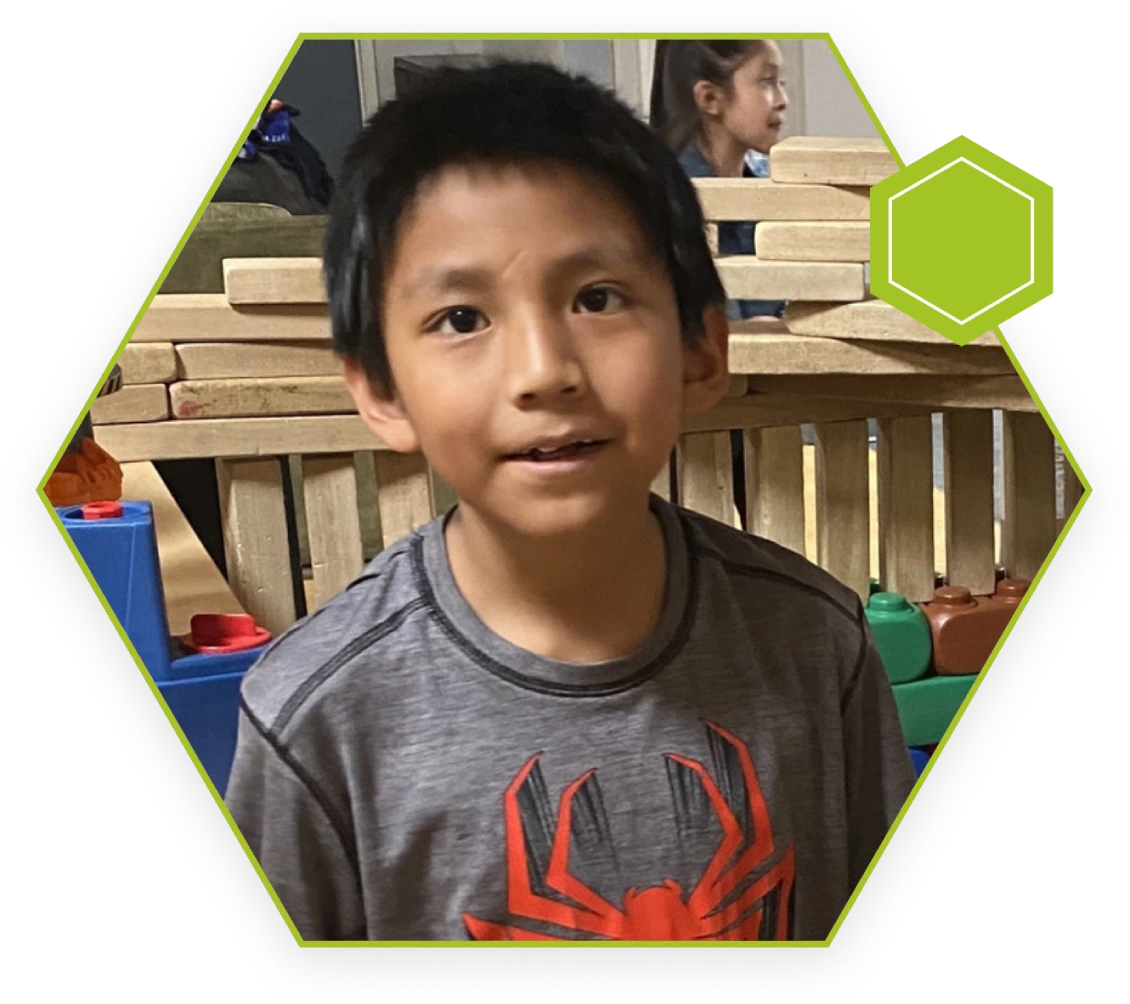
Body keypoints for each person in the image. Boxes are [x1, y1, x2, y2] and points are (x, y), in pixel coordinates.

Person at [224, 61, 915, 945]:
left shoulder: (820, 642)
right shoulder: (313, 720)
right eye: (462, 318)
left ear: (704, 351)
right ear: (381, 391)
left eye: (598, 298)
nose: (545, 369)